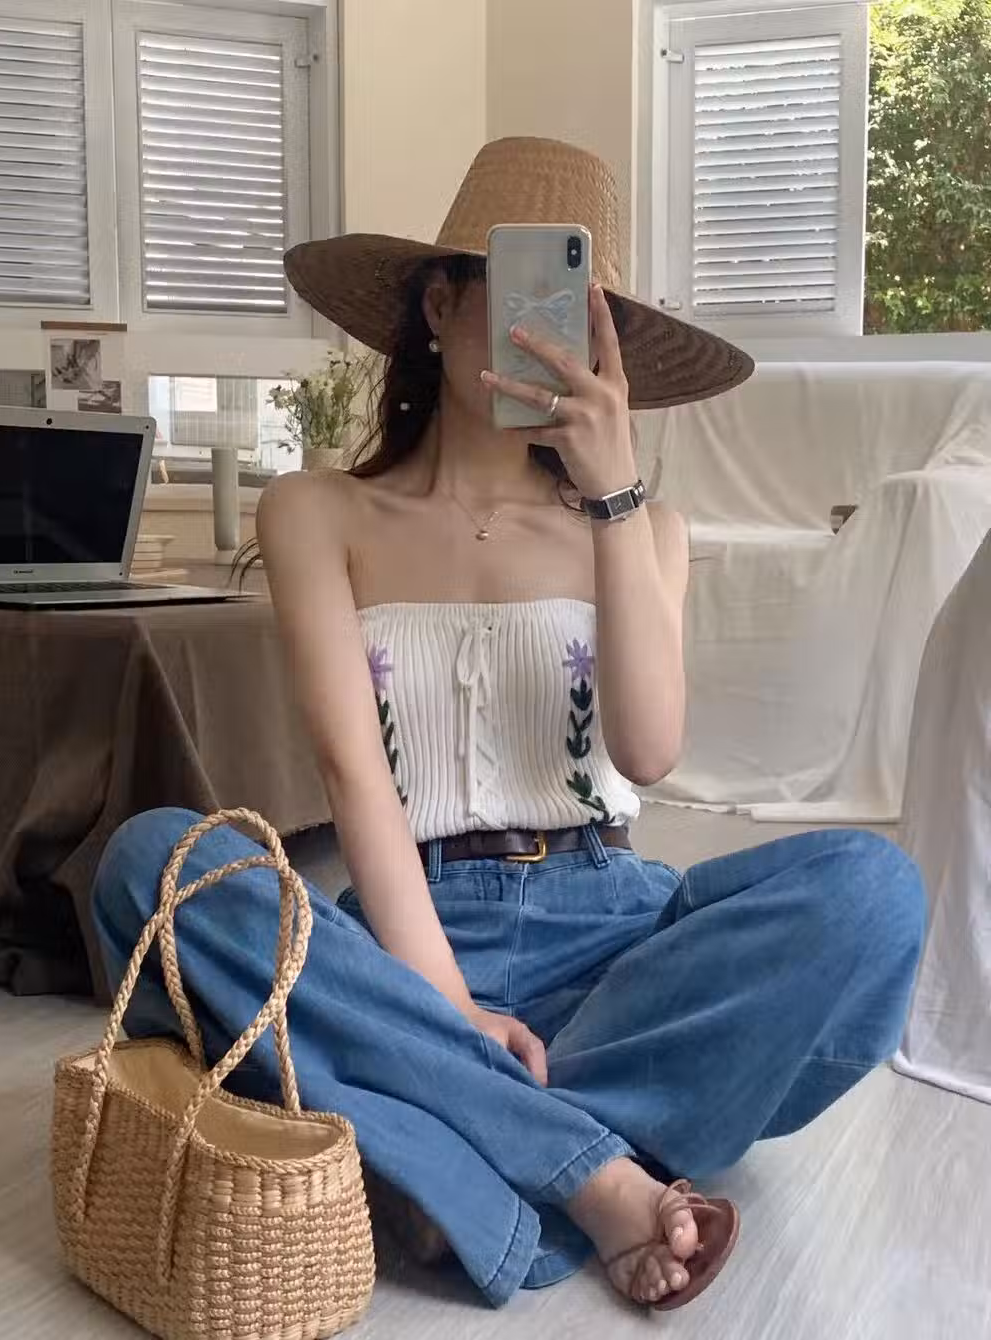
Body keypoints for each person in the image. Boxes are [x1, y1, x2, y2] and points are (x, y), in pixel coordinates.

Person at [92, 138, 925, 1312]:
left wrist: (616, 497)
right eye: (534, 295)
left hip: (615, 938)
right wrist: (446, 1003)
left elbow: (647, 751)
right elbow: (353, 775)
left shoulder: (646, 528)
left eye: (588, 319)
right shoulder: (318, 511)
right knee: (154, 863)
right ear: (440, 305)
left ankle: (442, 1141)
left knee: (873, 890)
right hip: (409, 939)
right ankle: (588, 1169)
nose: (557, 339)